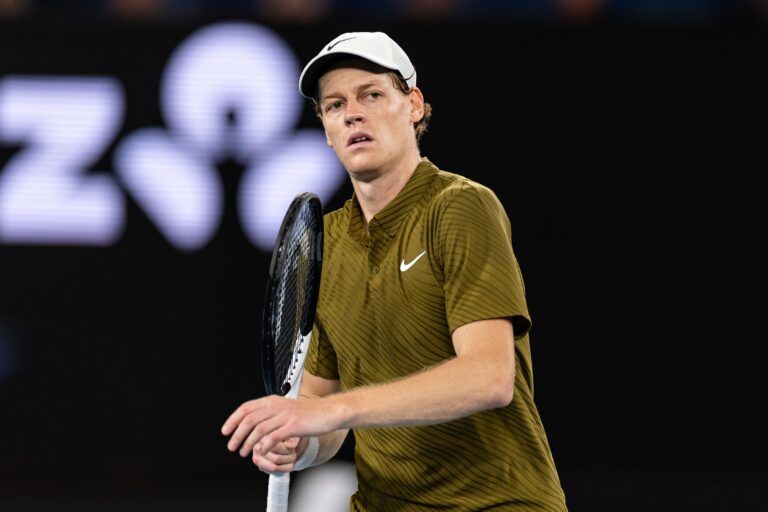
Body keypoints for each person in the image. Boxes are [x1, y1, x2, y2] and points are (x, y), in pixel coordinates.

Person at [222, 31, 568, 511]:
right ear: (325, 127)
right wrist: (296, 443)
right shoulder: (327, 242)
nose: (353, 114)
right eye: (335, 105)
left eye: (372, 95)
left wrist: (330, 410)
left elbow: (489, 376)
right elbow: (326, 417)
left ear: (414, 106)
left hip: (497, 503)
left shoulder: (461, 206)